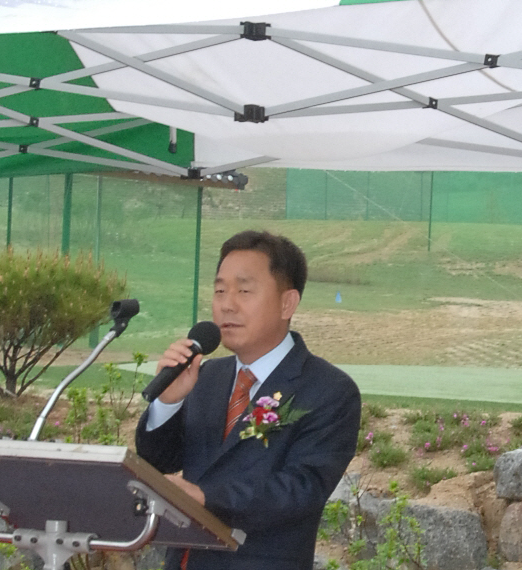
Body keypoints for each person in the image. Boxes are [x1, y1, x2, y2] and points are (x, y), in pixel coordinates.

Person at [135, 229, 361, 569]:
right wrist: (167, 402)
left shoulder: (328, 390)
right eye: (220, 290)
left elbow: (301, 489)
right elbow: (159, 462)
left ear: (287, 303)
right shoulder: (206, 377)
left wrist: (207, 498)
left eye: (243, 290)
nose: (227, 304)